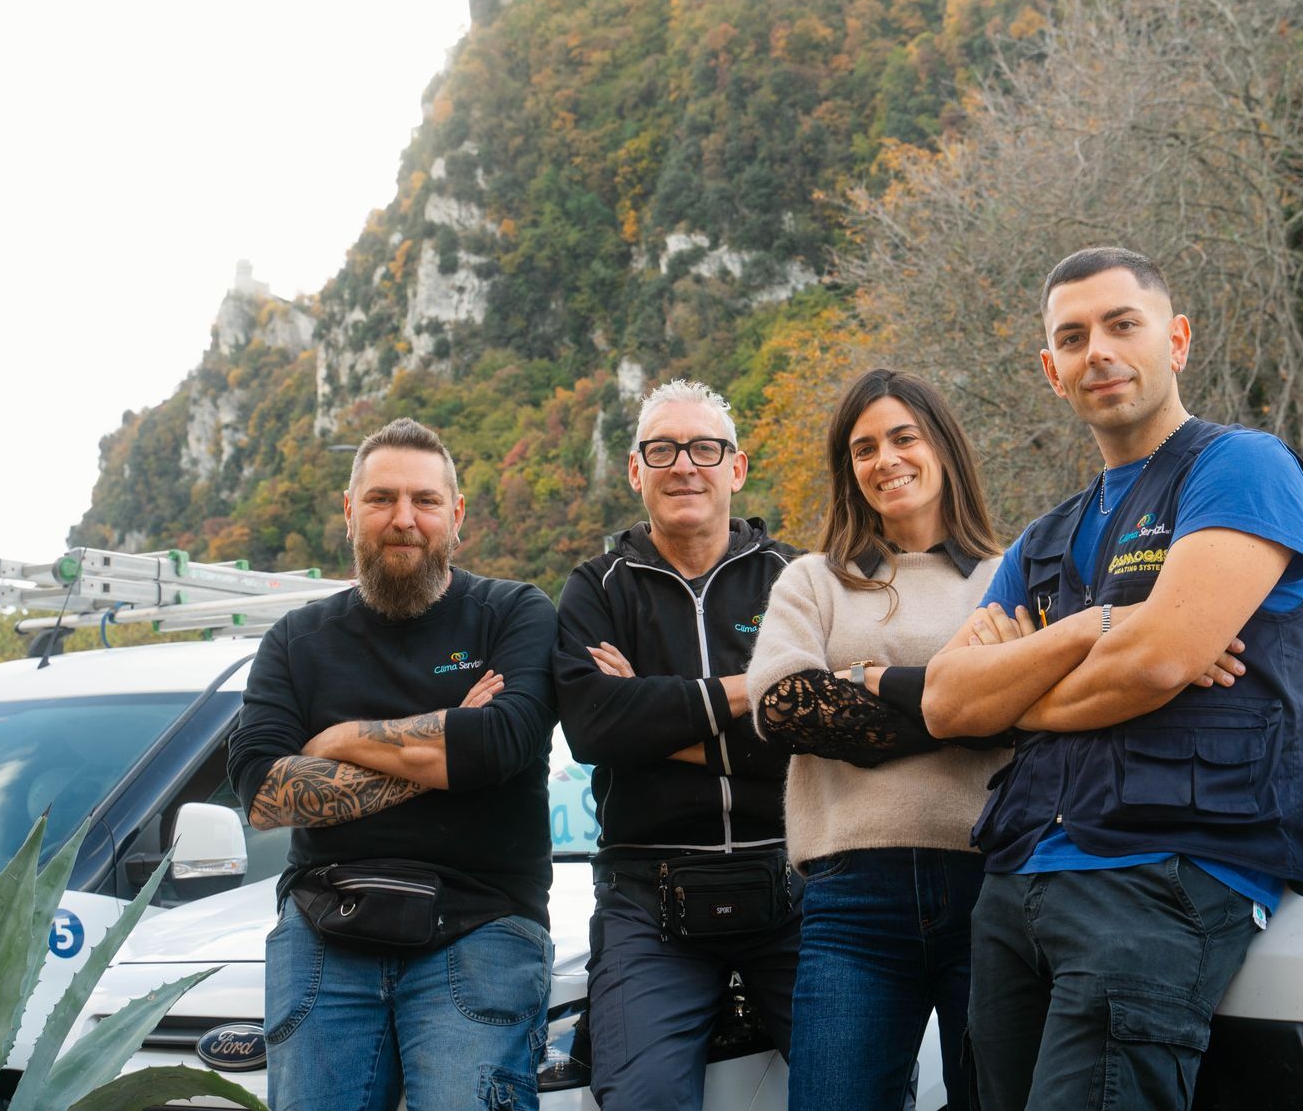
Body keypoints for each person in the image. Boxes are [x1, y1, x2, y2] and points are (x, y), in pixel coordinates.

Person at [922, 246, 1303, 1110]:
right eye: (1072, 338)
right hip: (1018, 879)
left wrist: (1021, 690)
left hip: (1160, 874)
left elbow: (1160, 660)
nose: (1097, 351)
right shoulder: (1043, 537)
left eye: (1121, 325)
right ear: (1051, 372)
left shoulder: (1241, 469)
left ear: (1175, 340)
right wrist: (1094, 625)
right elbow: (947, 700)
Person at [229, 416, 559, 1111]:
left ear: (456, 515)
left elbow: (503, 743)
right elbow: (262, 792)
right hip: (325, 925)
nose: (403, 519)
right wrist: (446, 749)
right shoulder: (296, 640)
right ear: (350, 513)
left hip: (481, 923)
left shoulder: (513, 613)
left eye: (425, 501)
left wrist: (339, 736)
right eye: (381, 499)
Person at [743, 368, 1009, 1111]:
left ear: (944, 447)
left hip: (994, 888)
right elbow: (789, 708)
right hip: (852, 902)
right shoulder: (812, 583)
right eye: (863, 449)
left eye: (903, 437)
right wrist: (964, 701)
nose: (885, 460)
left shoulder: (1009, 576)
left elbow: (1033, 712)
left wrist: (868, 681)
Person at [553, 379, 802, 1111]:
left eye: (704, 448)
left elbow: (811, 737)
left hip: (795, 880)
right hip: (644, 896)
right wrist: (750, 688)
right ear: (636, 470)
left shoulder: (795, 579)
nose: (683, 465)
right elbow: (595, 729)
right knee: (642, 1099)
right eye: (661, 450)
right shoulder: (597, 588)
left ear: (738, 466)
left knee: (857, 1086)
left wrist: (651, 712)